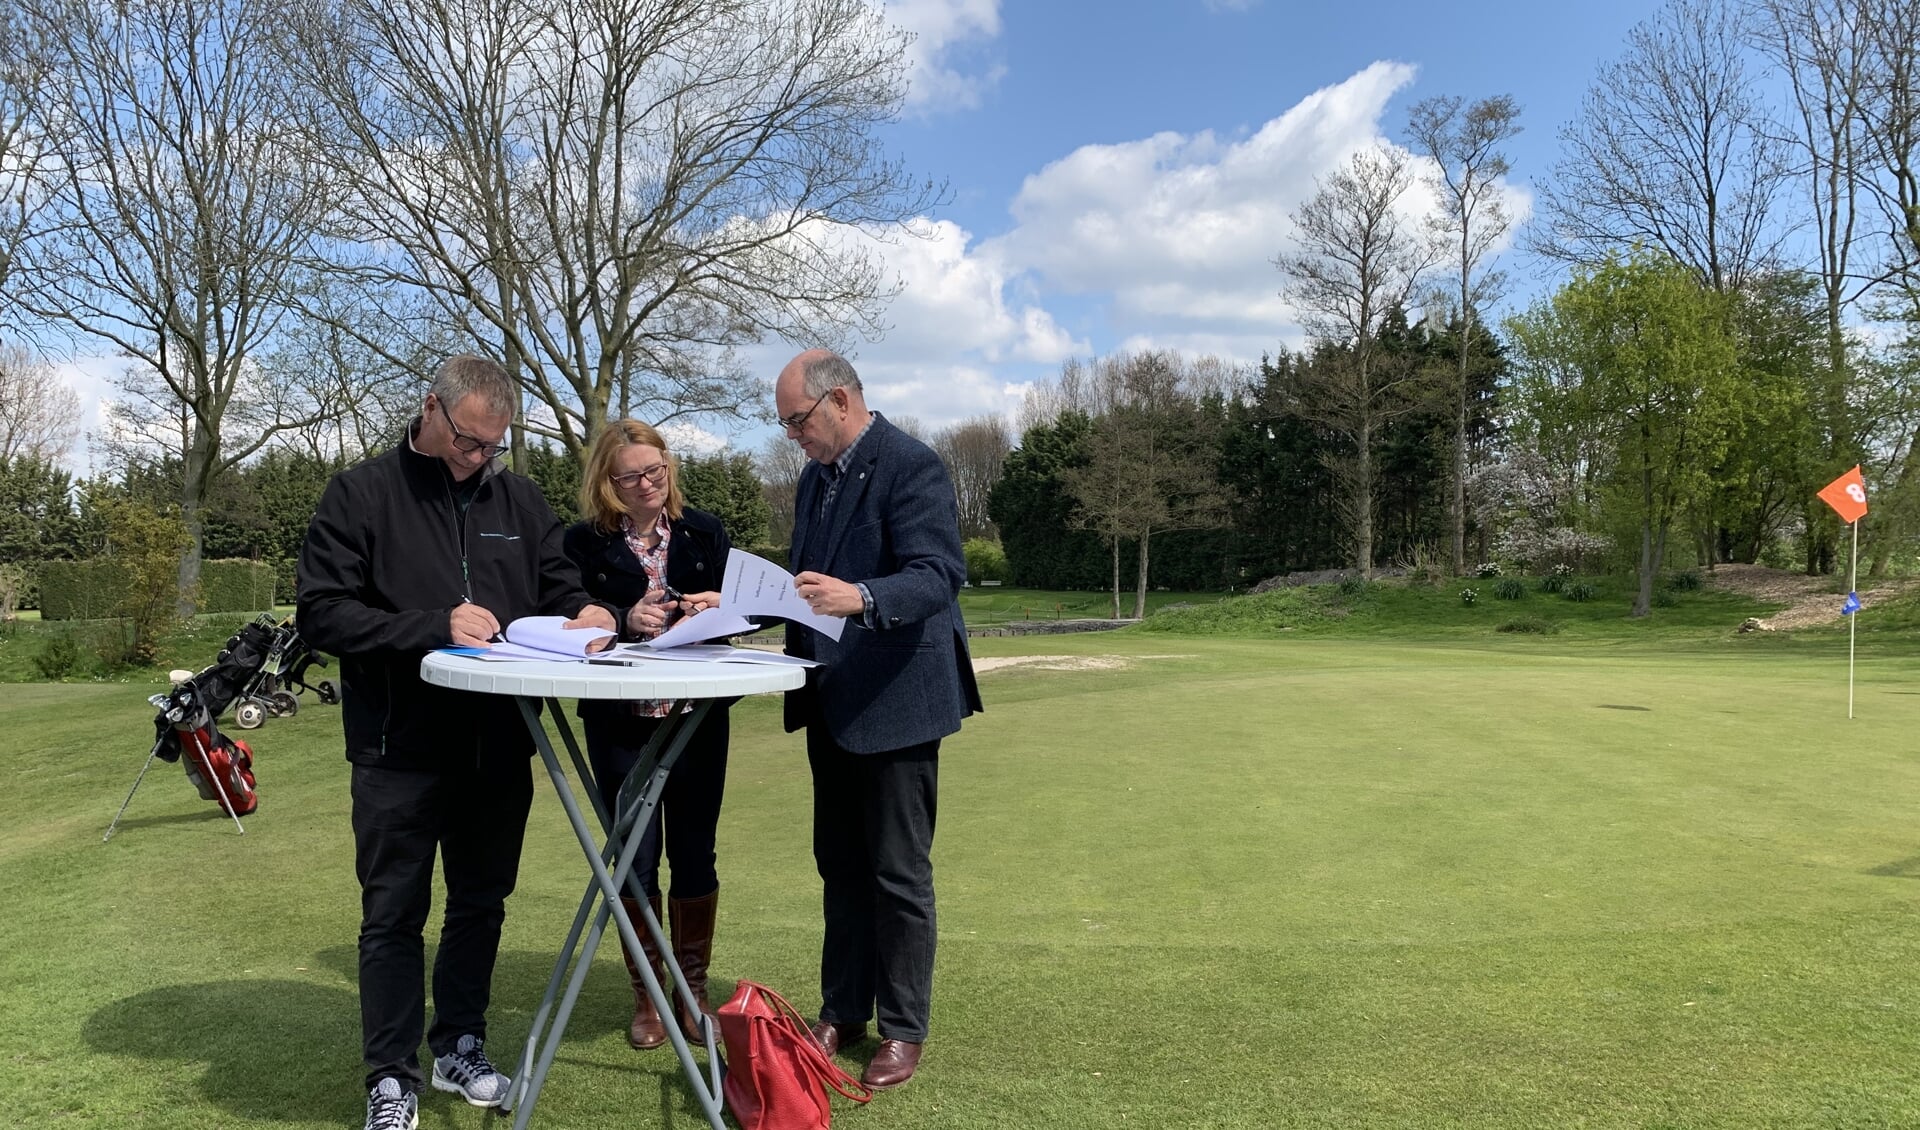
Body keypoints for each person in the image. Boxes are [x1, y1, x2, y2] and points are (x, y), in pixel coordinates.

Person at [297, 355, 618, 1130]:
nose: (481, 458)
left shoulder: (518, 496)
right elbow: (323, 615)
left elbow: (555, 582)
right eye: (470, 441)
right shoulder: (361, 493)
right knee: (393, 914)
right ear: (431, 410)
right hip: (395, 747)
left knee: (481, 904)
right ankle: (391, 1076)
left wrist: (587, 612)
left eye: (493, 446)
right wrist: (431, 625)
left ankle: (460, 1045)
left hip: (499, 743)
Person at [774, 349, 983, 1091]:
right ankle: (843, 1009)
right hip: (830, 699)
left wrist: (860, 596)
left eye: (797, 421)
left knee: (897, 873)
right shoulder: (813, 479)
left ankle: (902, 1027)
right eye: (786, 425)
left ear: (839, 401)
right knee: (840, 864)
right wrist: (740, 605)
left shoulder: (911, 464)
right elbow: (805, 585)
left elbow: (937, 574)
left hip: (897, 702)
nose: (793, 436)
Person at [562, 419, 733, 1050]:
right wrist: (621, 618)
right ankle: (649, 997)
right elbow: (564, 619)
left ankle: (691, 992)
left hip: (697, 718)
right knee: (635, 859)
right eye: (630, 476)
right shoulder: (580, 543)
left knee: (696, 854)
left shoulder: (705, 531)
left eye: (655, 470)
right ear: (606, 483)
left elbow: (743, 614)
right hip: (619, 722)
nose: (646, 485)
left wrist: (715, 607)